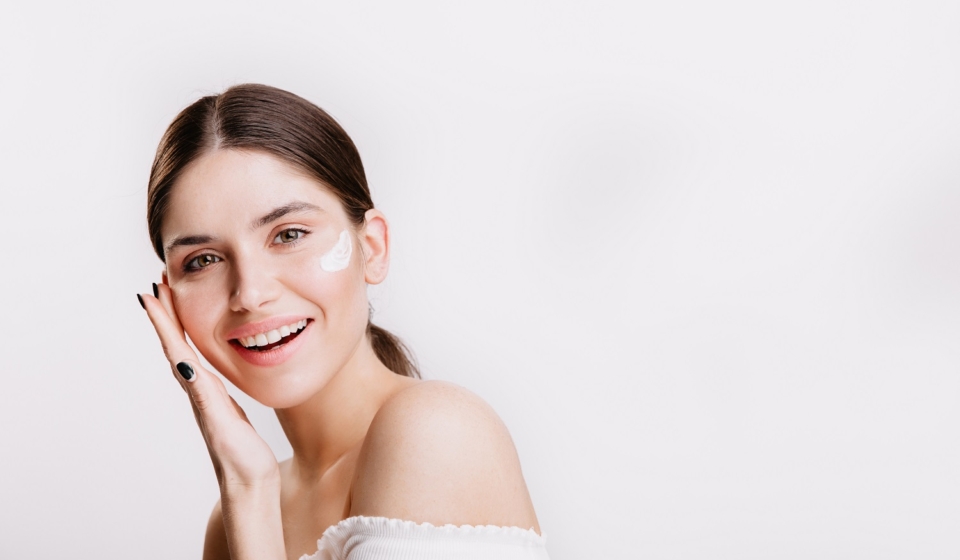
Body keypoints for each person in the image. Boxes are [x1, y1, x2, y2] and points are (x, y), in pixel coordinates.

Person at [136, 84, 549, 560]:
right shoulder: (235, 514)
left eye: (289, 234)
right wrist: (248, 490)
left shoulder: (436, 431)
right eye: (203, 260)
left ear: (372, 248)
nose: (249, 293)